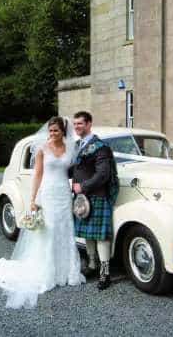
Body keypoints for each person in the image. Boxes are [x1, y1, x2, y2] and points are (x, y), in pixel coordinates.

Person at [0, 117, 85, 309]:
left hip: (63, 194)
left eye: (56, 131)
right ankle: (48, 273)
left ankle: (67, 272)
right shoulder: (42, 148)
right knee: (49, 231)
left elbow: (75, 170)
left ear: (63, 131)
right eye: (50, 131)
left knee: (65, 230)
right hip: (48, 193)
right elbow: (38, 175)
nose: (52, 134)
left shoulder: (70, 148)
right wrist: (33, 199)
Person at [70, 111, 119, 291]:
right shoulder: (76, 146)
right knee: (88, 235)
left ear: (89, 124)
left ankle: (105, 274)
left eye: (80, 124)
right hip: (82, 199)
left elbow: (103, 174)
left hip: (97, 196)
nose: (77, 127)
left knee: (101, 237)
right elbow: (73, 169)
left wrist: (83, 186)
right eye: (75, 124)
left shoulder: (100, 147)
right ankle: (92, 265)